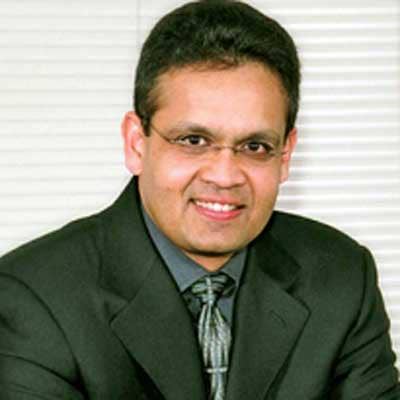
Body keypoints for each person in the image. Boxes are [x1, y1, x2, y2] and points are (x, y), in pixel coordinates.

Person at [0, 0, 399, 399]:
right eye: (193, 141)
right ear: (136, 143)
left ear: (285, 156)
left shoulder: (342, 278)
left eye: (255, 147)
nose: (224, 176)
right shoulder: (35, 299)